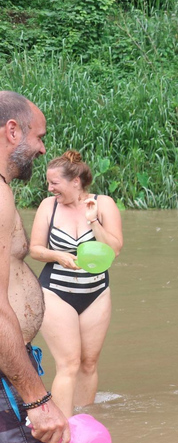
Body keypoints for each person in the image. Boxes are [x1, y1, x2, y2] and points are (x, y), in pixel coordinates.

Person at [0, 90, 69, 443]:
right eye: (39, 137)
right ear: (12, 131)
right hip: (8, 375)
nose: (43, 148)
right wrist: (36, 399)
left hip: (11, 362)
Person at [28, 150, 123, 418]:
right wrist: (58, 255)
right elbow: (35, 249)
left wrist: (93, 220)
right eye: (49, 183)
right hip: (55, 292)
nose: (49, 188)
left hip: (96, 293)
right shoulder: (49, 206)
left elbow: (114, 250)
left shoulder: (104, 204)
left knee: (88, 363)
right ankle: (61, 425)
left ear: (75, 182)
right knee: (68, 363)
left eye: (54, 183)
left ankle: (82, 424)